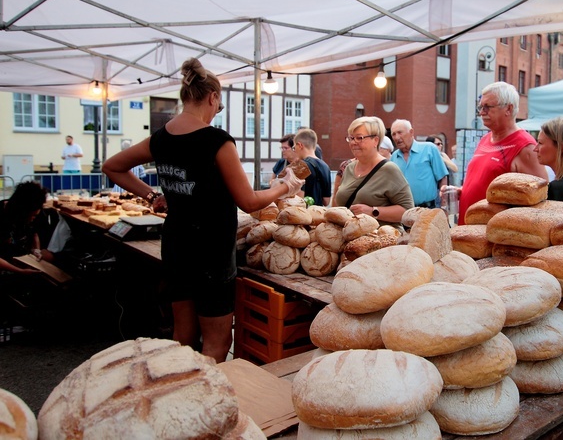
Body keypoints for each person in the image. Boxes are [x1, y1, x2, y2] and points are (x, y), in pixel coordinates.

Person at [103, 58, 304, 363]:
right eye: (218, 106)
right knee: (217, 341)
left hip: (176, 244)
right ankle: (207, 404)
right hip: (210, 249)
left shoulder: (160, 139)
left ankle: (178, 392)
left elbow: (112, 167)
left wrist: (151, 194)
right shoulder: (216, 141)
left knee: (182, 335)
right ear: (212, 98)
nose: (215, 112)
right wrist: (284, 188)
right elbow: (248, 202)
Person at [444, 82, 547, 225]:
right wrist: (462, 191)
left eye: (487, 107)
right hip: (468, 232)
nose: (481, 112)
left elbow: (540, 199)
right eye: (480, 107)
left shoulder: (525, 146)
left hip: (493, 236)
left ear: (508, 109)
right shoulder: (486, 139)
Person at [332, 116, 413, 230]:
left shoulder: (389, 169)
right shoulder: (349, 168)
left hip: (383, 242)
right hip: (351, 240)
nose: (353, 142)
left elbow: (408, 211)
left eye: (359, 138)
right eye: (351, 138)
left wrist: (372, 211)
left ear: (375, 140)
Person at [390, 119, 448, 208]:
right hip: (403, 211)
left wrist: (444, 204)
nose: (397, 137)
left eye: (400, 132)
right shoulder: (394, 157)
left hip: (428, 209)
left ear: (411, 132)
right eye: (393, 134)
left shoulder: (429, 149)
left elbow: (442, 177)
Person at [0, 181, 53, 275]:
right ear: (22, 210)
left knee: (50, 258)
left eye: (35, 216)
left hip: (23, 258)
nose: (33, 219)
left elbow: (34, 233)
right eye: (31, 215)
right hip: (5, 264)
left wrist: (36, 250)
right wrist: (20, 271)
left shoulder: (36, 212)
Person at [292, 128, 332, 206]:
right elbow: (326, 201)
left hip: (303, 215)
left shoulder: (300, 166)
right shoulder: (325, 167)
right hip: (318, 213)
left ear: (300, 145)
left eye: (294, 147)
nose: (294, 151)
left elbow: (298, 200)